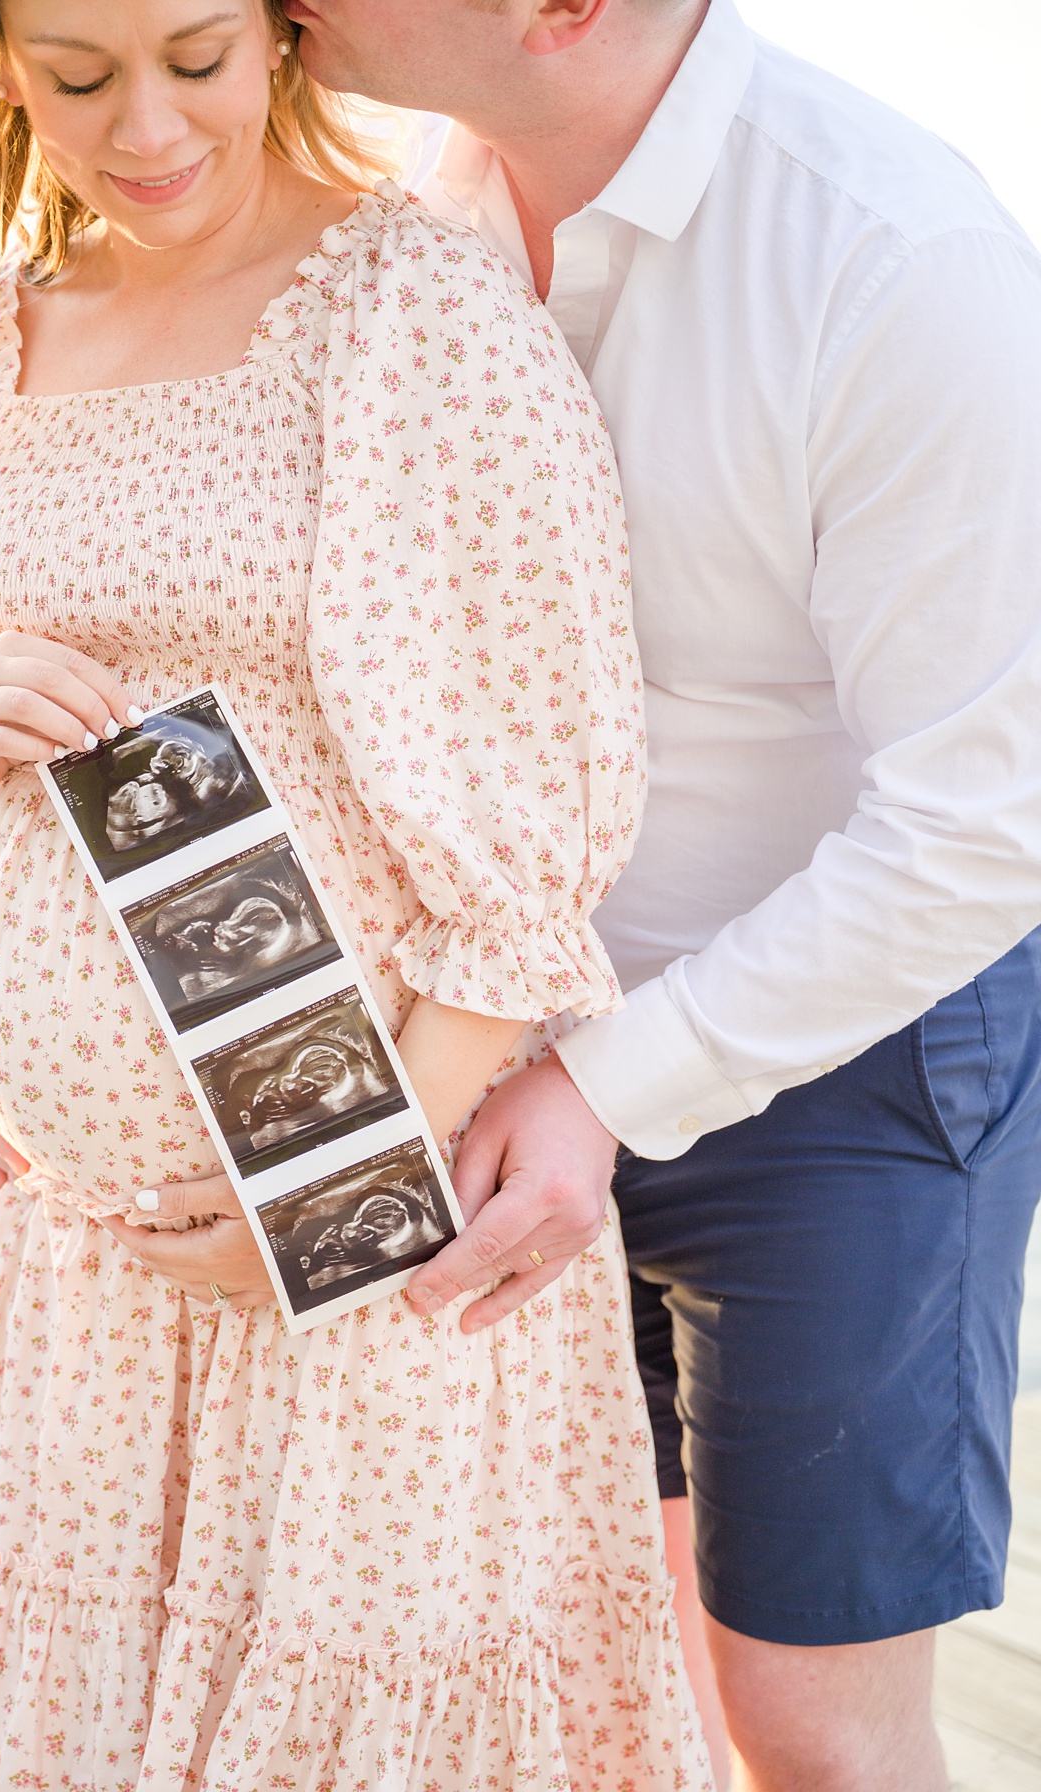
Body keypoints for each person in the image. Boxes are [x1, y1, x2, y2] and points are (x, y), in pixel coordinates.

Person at [0, 0, 710, 1782]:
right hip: (54, 1253)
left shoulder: (417, 314)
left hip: (349, 1227)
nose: (145, 125)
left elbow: (546, 810)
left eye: (195, 59)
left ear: (281, 41)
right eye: (80, 77)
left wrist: (322, 1200)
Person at [273, 2, 1041, 1786]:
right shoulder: (373, 206)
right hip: (477, 1032)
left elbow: (989, 822)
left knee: (806, 1723)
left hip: (854, 1037)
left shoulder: (897, 261)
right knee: (555, 1664)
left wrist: (602, 1086)